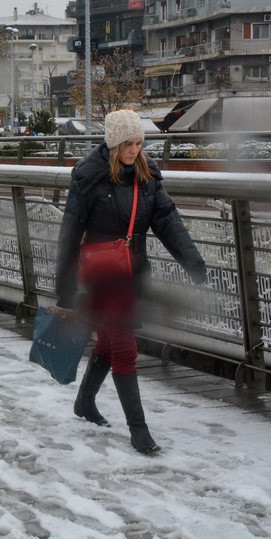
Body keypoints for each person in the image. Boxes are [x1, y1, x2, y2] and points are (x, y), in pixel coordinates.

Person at [54, 109, 207, 454]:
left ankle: (84, 402)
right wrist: (64, 287)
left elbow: (168, 221)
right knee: (125, 348)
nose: (134, 150)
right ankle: (139, 431)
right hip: (101, 275)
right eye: (127, 143)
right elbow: (69, 233)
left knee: (110, 344)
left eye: (138, 143)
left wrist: (192, 261)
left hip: (132, 270)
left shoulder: (147, 176)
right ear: (113, 143)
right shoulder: (88, 177)